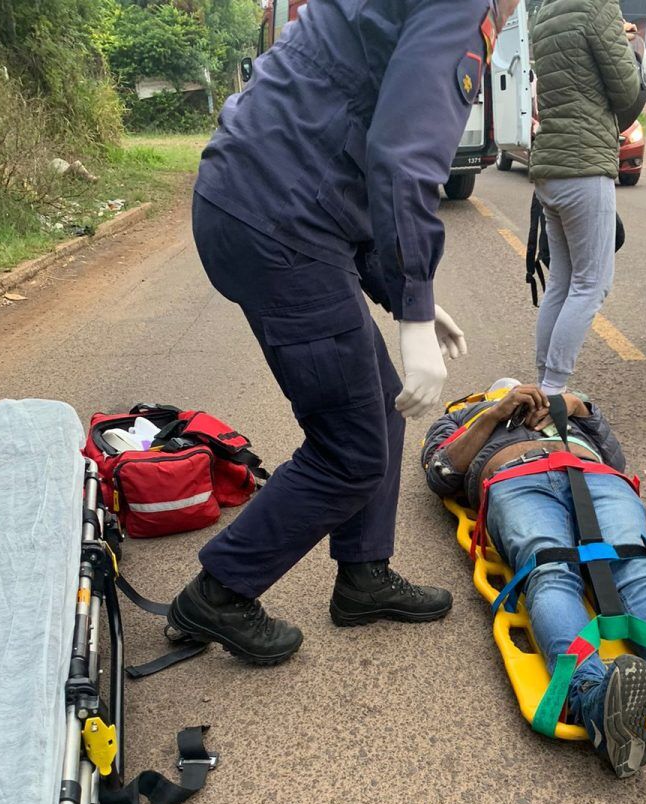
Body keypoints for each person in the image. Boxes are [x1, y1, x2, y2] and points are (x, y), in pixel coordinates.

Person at [167, 0, 519, 666]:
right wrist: (413, 310)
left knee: (379, 405)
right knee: (351, 446)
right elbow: (402, 157)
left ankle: (363, 575)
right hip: (281, 221)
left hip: (263, 199)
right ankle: (220, 592)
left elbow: (341, 143)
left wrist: (405, 293)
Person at [422, 380, 646, 778]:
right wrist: (493, 413)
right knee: (551, 567)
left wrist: (580, 409)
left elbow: (615, 457)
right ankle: (590, 696)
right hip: (517, 479)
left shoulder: (565, 410)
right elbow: (441, 472)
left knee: (635, 567)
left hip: (596, 476)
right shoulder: (464, 414)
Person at [529, 0, 641, 396]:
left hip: (551, 166)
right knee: (592, 284)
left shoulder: (544, 14)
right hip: (585, 166)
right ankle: (555, 390)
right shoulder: (598, 8)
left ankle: (544, 385)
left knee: (562, 281)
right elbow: (628, 90)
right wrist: (630, 46)